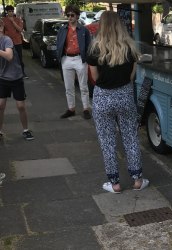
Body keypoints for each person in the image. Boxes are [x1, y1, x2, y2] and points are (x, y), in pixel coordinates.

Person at [87, 11, 148, 193]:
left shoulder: (94, 49)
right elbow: (131, 77)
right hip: (125, 97)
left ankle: (115, 183)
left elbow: (95, 77)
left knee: (107, 141)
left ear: (101, 26)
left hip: (102, 98)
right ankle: (137, 180)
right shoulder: (130, 48)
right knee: (130, 137)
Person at [0, 19, 34, 141]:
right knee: (1, 105)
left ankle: (25, 130)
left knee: (20, 106)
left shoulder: (6, 40)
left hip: (15, 77)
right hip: (2, 78)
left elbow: (9, 56)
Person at [56, 5, 92, 120]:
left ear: (77, 16)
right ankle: (71, 109)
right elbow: (58, 43)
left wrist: (86, 58)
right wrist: (60, 57)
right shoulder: (62, 29)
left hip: (79, 59)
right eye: (68, 15)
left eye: (72, 15)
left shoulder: (84, 30)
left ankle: (86, 109)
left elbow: (89, 45)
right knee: (68, 87)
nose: (70, 17)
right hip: (66, 59)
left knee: (83, 86)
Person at [3, 5, 28, 78]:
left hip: (17, 42)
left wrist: (13, 21)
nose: (11, 13)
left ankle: (22, 73)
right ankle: (9, 73)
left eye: (12, 11)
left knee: (19, 58)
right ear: (7, 12)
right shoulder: (3, 20)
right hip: (8, 43)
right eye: (9, 11)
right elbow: (2, 31)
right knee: (8, 58)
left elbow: (20, 29)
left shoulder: (17, 19)